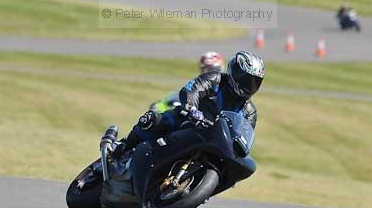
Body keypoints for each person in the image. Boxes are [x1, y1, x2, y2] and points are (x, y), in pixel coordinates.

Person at [112, 50, 264, 159]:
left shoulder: (249, 111)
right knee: (154, 120)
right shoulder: (215, 79)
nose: (250, 85)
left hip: (215, 142)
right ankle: (123, 146)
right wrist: (192, 107)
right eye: (246, 80)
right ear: (234, 73)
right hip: (190, 120)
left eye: (255, 82)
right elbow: (192, 89)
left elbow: (244, 136)